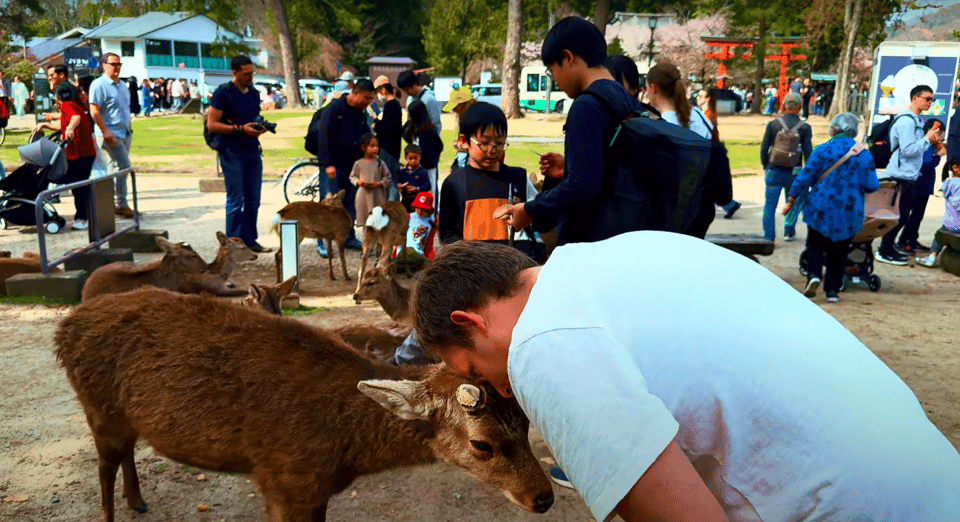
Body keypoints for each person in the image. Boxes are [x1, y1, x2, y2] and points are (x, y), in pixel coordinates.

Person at [411, 235, 960, 522]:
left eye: (477, 370)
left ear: (470, 322)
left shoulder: (542, 345)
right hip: (933, 480)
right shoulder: (626, 253)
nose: (502, 389)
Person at [498, 17, 637, 246]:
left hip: (592, 240)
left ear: (568, 57)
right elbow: (609, 169)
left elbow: (582, 188)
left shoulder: (587, 105)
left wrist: (530, 208)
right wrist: (567, 169)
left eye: (552, 69)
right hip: (622, 231)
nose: (556, 80)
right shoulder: (622, 97)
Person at [782, 113, 879, 302]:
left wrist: (791, 198)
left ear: (833, 129)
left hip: (820, 205)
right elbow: (872, 185)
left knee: (815, 245)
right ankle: (832, 291)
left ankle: (814, 275)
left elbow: (805, 176)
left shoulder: (822, 149)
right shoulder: (864, 154)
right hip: (848, 209)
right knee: (839, 250)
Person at [439, 101, 541, 258]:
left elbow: (543, 220)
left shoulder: (518, 179)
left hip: (513, 268)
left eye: (499, 143)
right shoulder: (454, 184)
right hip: (473, 271)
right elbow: (447, 234)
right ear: (464, 141)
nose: (492, 150)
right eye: (484, 143)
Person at [206, 55, 270, 253]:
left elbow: (252, 118)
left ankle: (250, 239)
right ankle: (233, 242)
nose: (251, 77)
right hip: (232, 151)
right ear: (235, 73)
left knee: (253, 199)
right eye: (246, 74)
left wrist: (260, 127)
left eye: (252, 73)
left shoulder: (253, 93)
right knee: (236, 199)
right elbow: (212, 124)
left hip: (252, 150)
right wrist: (240, 129)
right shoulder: (223, 93)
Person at [877, 84, 942, 266]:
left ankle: (888, 248)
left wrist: (930, 143)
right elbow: (907, 150)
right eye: (927, 98)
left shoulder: (917, 121)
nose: (930, 102)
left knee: (902, 216)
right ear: (915, 98)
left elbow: (916, 149)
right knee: (898, 216)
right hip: (900, 175)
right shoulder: (907, 121)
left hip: (909, 175)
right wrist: (926, 140)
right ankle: (884, 250)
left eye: (932, 99)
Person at [316, 79, 376, 254]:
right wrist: (327, 163)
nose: (368, 102)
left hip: (353, 167)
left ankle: (349, 237)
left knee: (350, 203)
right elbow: (323, 135)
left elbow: (365, 136)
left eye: (371, 99)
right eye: (366, 98)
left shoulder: (360, 113)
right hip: (334, 166)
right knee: (329, 204)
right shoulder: (335, 108)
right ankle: (322, 241)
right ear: (355, 93)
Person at [34, 83, 97, 231]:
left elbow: (75, 118)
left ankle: (82, 218)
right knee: (78, 186)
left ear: (58, 96)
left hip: (80, 154)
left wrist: (70, 127)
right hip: (84, 153)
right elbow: (64, 122)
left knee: (76, 185)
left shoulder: (68, 105)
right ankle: (83, 216)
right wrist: (47, 125)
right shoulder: (74, 105)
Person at [761, 92, 814, 242]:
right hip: (794, 169)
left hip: (774, 167)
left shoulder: (773, 124)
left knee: (770, 205)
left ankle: (769, 236)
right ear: (799, 107)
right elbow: (808, 151)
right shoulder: (804, 127)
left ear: (783, 105)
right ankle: (788, 230)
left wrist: (767, 165)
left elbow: (764, 148)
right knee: (792, 200)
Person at [89, 53, 135, 219]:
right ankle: (121, 204)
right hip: (110, 133)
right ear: (104, 65)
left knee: (113, 168)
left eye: (118, 64)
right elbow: (94, 110)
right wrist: (105, 131)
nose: (116, 67)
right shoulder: (99, 84)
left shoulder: (122, 85)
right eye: (113, 64)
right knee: (123, 166)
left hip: (124, 132)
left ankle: (108, 204)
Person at [897, 118, 946, 253]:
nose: (941, 137)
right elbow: (925, 164)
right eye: (939, 133)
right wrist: (938, 156)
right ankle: (903, 241)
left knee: (918, 215)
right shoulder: (924, 145)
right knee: (913, 215)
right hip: (918, 185)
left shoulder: (931, 145)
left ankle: (912, 239)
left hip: (925, 185)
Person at [698, 86, 741, 219]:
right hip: (712, 149)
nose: (698, 98)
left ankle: (728, 204)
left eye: (701, 96)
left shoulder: (708, 114)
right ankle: (728, 204)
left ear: (707, 99)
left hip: (710, 151)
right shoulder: (708, 113)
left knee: (708, 183)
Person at [917, 158, 960, 267]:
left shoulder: (947, 183)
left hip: (948, 225)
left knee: (938, 238)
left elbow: (944, 194)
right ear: (955, 168)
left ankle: (932, 257)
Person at [402, 100, 443, 205]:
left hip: (426, 168)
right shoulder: (415, 128)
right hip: (420, 167)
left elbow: (438, 147)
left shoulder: (425, 131)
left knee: (428, 196)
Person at [350, 133, 391, 234]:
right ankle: (367, 247)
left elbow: (388, 177)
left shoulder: (380, 163)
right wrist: (358, 182)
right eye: (372, 146)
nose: (375, 149)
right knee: (365, 221)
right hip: (364, 195)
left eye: (376, 146)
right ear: (364, 148)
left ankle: (378, 246)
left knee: (378, 222)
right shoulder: (358, 164)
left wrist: (380, 183)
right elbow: (353, 176)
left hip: (377, 195)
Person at [372, 75, 403, 200]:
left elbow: (386, 128)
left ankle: (391, 206)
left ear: (383, 90)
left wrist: (376, 123)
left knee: (389, 180)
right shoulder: (395, 105)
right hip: (393, 147)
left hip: (388, 148)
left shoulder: (391, 106)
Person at [443, 86, 478, 169]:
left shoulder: (474, 120)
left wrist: (464, 146)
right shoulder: (464, 119)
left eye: (455, 106)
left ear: (465, 104)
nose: (453, 110)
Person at [396, 144, 432, 212]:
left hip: (418, 202)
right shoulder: (402, 172)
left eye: (415, 158)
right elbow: (398, 182)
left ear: (420, 157)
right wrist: (400, 186)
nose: (413, 161)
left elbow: (427, 186)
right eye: (410, 158)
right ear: (405, 157)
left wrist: (417, 188)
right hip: (405, 200)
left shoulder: (422, 172)